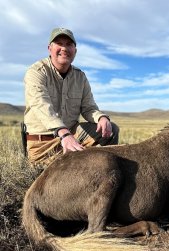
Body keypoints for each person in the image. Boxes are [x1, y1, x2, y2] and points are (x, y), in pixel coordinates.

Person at [23, 28, 119, 166]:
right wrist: (64, 134)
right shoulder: (36, 72)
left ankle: (104, 169)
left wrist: (101, 117)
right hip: (43, 145)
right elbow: (41, 104)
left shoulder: (80, 77)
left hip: (73, 137)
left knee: (111, 130)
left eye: (69, 44)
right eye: (59, 43)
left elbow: (89, 108)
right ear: (50, 48)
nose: (64, 48)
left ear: (75, 50)